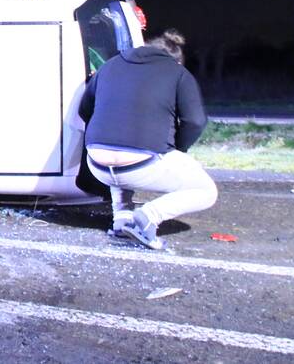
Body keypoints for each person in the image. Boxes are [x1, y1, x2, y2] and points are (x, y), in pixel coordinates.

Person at [79, 29, 216, 250]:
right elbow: (195, 122)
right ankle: (150, 215)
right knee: (206, 191)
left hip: (97, 163)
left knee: (122, 154)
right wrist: (177, 149)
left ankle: (122, 220)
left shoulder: (110, 66)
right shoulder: (177, 73)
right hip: (141, 165)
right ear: (176, 60)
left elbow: (84, 110)